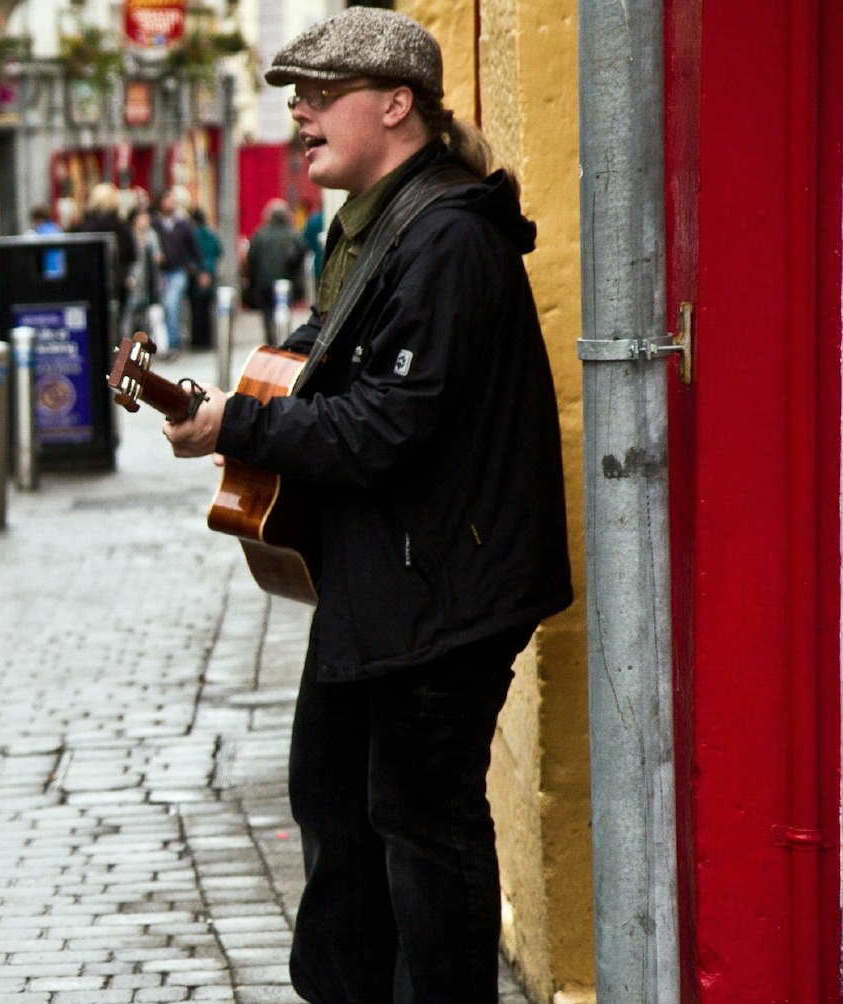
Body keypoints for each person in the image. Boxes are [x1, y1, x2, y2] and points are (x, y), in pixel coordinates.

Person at [160, 9, 572, 1002]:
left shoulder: (445, 240)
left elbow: (386, 426)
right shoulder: (377, 223)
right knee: (333, 796)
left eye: (316, 96)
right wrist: (248, 395)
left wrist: (237, 427)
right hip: (386, 575)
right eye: (293, 98)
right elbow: (332, 356)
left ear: (396, 105)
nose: (297, 116)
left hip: (442, 586)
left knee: (422, 821)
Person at [244, 199, 308, 346]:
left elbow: (251, 257)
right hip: (286, 281)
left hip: (264, 281)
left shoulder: (260, 234)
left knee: (267, 313)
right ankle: (283, 338)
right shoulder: (292, 234)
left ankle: (271, 339)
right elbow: (303, 249)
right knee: (284, 310)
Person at [152, 189, 203, 351]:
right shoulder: (154, 224)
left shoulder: (183, 224)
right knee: (163, 307)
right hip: (160, 272)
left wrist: (201, 269)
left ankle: (173, 342)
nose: (170, 203)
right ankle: (165, 339)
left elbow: (195, 247)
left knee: (172, 304)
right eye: (167, 199)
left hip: (178, 270)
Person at [74, 182, 136, 285]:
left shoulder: (86, 224)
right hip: (116, 279)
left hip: (90, 280)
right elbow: (130, 253)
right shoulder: (120, 225)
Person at [123, 206, 165, 344]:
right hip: (134, 277)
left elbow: (157, 255)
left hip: (149, 279)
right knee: (130, 312)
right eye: (142, 218)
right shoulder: (129, 235)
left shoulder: (151, 235)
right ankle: (127, 344)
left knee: (146, 314)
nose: (146, 221)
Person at [189, 206, 222, 350]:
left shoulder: (192, 234)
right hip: (210, 272)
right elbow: (218, 250)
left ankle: (197, 340)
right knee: (207, 309)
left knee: (196, 309)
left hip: (196, 274)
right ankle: (207, 340)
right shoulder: (211, 234)